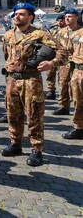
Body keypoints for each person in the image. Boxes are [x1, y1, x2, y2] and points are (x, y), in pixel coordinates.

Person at [1, 3, 66, 167]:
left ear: (30, 17)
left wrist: (51, 64)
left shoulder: (39, 35)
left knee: (34, 115)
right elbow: (6, 55)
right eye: (15, 13)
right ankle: (15, 143)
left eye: (21, 14)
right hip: (12, 80)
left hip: (31, 81)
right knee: (12, 114)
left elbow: (63, 52)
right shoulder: (8, 35)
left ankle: (37, 149)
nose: (17, 16)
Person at [53, 9, 81, 115]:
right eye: (66, 17)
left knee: (77, 87)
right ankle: (64, 106)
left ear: (76, 17)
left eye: (70, 16)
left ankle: (78, 108)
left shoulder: (81, 31)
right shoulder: (61, 32)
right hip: (64, 63)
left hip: (77, 64)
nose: (67, 18)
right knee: (63, 84)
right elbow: (55, 46)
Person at [62, 10, 83, 139]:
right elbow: (68, 49)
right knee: (78, 100)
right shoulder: (78, 33)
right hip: (78, 71)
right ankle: (79, 128)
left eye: (70, 16)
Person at [46, 14, 66, 100]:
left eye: (62, 20)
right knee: (50, 74)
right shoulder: (53, 31)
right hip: (53, 55)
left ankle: (64, 94)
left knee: (63, 76)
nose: (60, 22)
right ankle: (51, 91)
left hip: (63, 56)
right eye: (59, 20)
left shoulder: (67, 31)